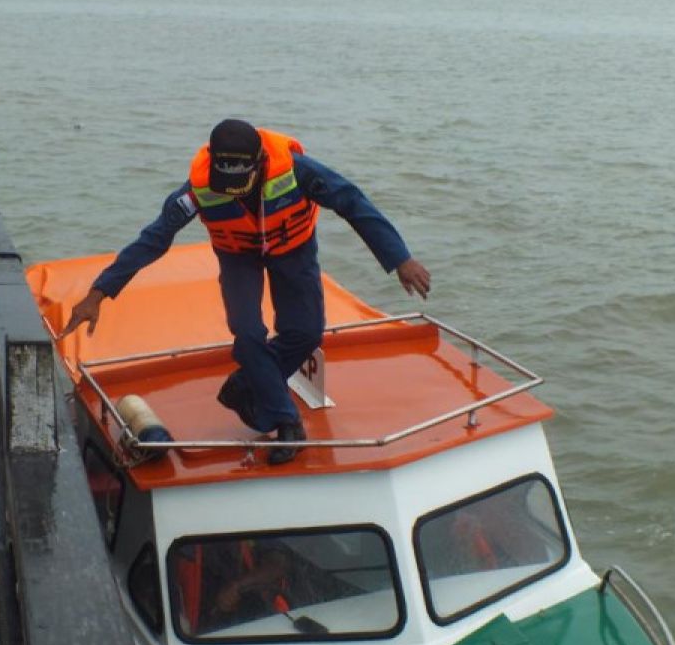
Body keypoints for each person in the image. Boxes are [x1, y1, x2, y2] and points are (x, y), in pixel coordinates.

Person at [60, 119, 431, 464]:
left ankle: (248, 383)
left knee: (306, 333)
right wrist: (99, 293)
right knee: (247, 330)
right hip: (239, 257)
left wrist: (400, 258)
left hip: (293, 249)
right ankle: (287, 423)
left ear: (260, 162)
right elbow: (155, 239)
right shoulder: (195, 191)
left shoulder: (299, 171)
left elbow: (354, 203)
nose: (235, 192)